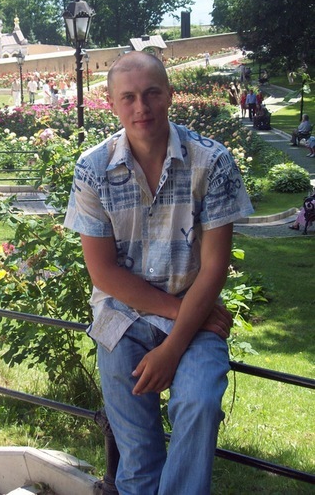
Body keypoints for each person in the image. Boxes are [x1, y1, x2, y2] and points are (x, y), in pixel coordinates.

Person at [64, 52, 253, 494]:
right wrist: (180, 313)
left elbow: (215, 266)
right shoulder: (93, 168)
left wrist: (173, 346)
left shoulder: (212, 161)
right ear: (111, 103)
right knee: (137, 453)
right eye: (128, 97)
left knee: (200, 403)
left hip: (194, 307)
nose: (141, 107)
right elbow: (103, 272)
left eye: (151, 93)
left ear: (169, 95)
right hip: (122, 316)